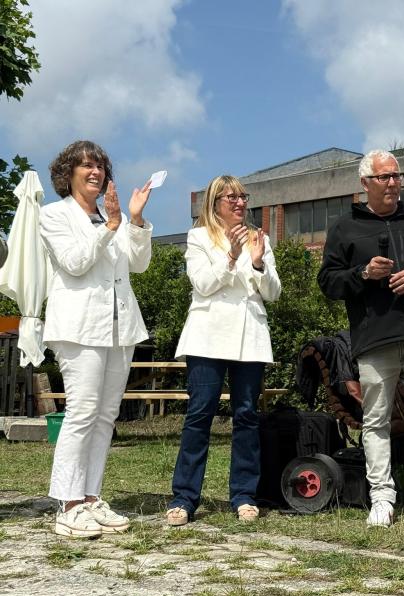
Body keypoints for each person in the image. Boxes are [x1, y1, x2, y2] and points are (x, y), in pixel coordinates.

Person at [318, 149, 404, 529]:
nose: (393, 183)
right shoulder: (345, 227)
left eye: (397, 176)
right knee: (376, 420)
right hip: (375, 339)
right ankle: (382, 497)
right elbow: (328, 282)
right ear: (365, 183)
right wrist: (363, 273)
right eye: (385, 177)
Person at [41, 140, 153, 538]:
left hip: (120, 328)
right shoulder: (53, 215)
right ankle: (68, 504)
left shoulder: (112, 216)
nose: (96, 171)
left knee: (106, 415)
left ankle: (90, 497)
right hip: (79, 327)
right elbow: (74, 263)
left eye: (101, 165)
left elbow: (138, 264)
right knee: (82, 412)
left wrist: (134, 221)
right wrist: (109, 229)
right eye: (87, 165)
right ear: (67, 173)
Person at [166, 175, 281, 526]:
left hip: (249, 336)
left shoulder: (259, 238)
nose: (239, 202)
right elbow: (202, 284)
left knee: (246, 414)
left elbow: (273, 292)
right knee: (199, 414)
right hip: (207, 337)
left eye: (242, 196)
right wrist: (231, 255)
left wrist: (258, 263)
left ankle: (244, 495)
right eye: (231, 197)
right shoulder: (199, 237)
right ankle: (184, 497)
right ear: (215, 203)